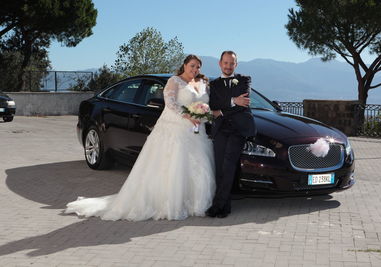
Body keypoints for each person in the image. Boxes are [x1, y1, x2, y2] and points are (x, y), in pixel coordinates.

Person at [65, 55, 215, 221]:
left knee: (196, 165)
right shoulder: (174, 81)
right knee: (173, 166)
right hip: (175, 129)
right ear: (185, 65)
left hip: (196, 131)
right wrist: (189, 115)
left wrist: (203, 113)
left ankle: (195, 203)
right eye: (192, 66)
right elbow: (171, 104)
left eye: (198, 67)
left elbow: (207, 104)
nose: (195, 69)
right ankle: (171, 203)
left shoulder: (201, 83)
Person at [206, 51, 256, 218]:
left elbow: (244, 104)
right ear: (220, 63)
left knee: (228, 165)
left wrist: (222, 109)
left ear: (236, 64)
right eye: (225, 63)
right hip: (220, 129)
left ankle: (217, 205)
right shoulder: (214, 85)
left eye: (231, 63)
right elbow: (213, 104)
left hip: (238, 130)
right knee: (220, 167)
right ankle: (225, 207)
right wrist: (233, 101)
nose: (228, 66)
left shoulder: (244, 80)